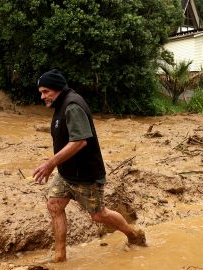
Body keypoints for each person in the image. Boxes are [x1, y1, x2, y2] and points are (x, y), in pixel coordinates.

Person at [33, 69, 146, 263]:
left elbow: (79, 141)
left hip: (86, 174)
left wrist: (50, 163)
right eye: (41, 92)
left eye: (45, 91)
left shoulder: (72, 106)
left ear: (57, 88)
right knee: (54, 204)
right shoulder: (62, 104)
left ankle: (134, 234)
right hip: (67, 172)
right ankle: (60, 256)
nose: (42, 96)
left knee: (99, 215)